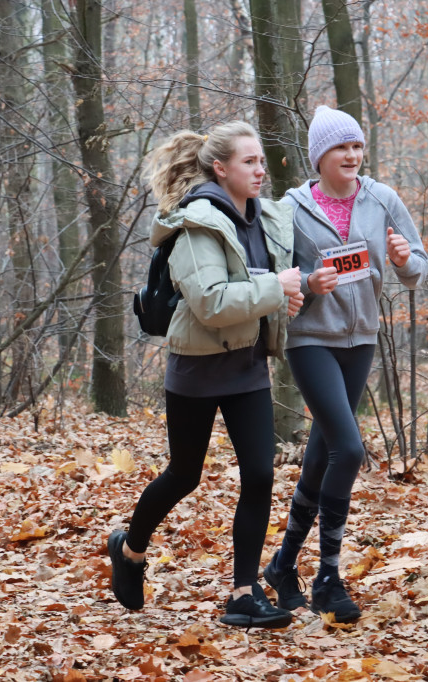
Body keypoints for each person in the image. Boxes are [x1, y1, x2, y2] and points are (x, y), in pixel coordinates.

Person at [107, 121, 305, 629]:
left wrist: (292, 293)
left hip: (247, 366)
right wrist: (277, 289)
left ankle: (243, 594)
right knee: (184, 475)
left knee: (260, 475)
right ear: (221, 168)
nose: (261, 170)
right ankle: (128, 550)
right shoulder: (196, 225)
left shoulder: (261, 220)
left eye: (262, 161)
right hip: (198, 369)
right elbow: (213, 302)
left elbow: (260, 286)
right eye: (249, 162)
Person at [263, 106, 428, 623]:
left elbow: (417, 267)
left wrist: (403, 260)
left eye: (357, 147)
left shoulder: (383, 200)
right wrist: (308, 284)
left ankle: (284, 564)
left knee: (324, 451)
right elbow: (272, 275)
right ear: (320, 158)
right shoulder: (290, 208)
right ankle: (328, 576)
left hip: (361, 340)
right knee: (350, 450)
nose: (353, 156)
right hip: (310, 338)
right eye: (342, 149)